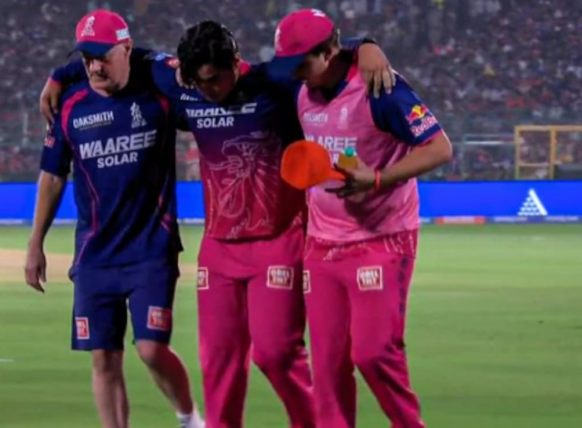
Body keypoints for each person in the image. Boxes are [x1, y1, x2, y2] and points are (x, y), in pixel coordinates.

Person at [40, 18, 395, 428]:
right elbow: (121, 56)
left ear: (236, 61)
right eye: (198, 82)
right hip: (219, 248)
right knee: (218, 362)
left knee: (276, 355)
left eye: (214, 79)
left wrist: (364, 46)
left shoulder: (272, 82)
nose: (207, 90)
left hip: (277, 240)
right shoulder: (182, 85)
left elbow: (320, 55)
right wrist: (60, 74)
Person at [268, 8, 454, 428]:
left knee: (373, 354)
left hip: (382, 238)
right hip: (321, 243)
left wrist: (379, 179)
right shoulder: (299, 84)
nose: (294, 73)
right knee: (328, 366)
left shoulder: (380, 89)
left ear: (329, 52)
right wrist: (366, 43)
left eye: (301, 63)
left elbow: (440, 148)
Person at [23, 10, 204, 428]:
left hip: (151, 249)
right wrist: (35, 243)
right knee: (103, 357)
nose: (94, 67)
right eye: (86, 58)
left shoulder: (159, 92)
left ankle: (190, 419)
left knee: (151, 349)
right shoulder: (70, 106)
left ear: (126, 49)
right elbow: (53, 176)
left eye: (103, 56)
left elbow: (192, 87)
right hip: (94, 255)